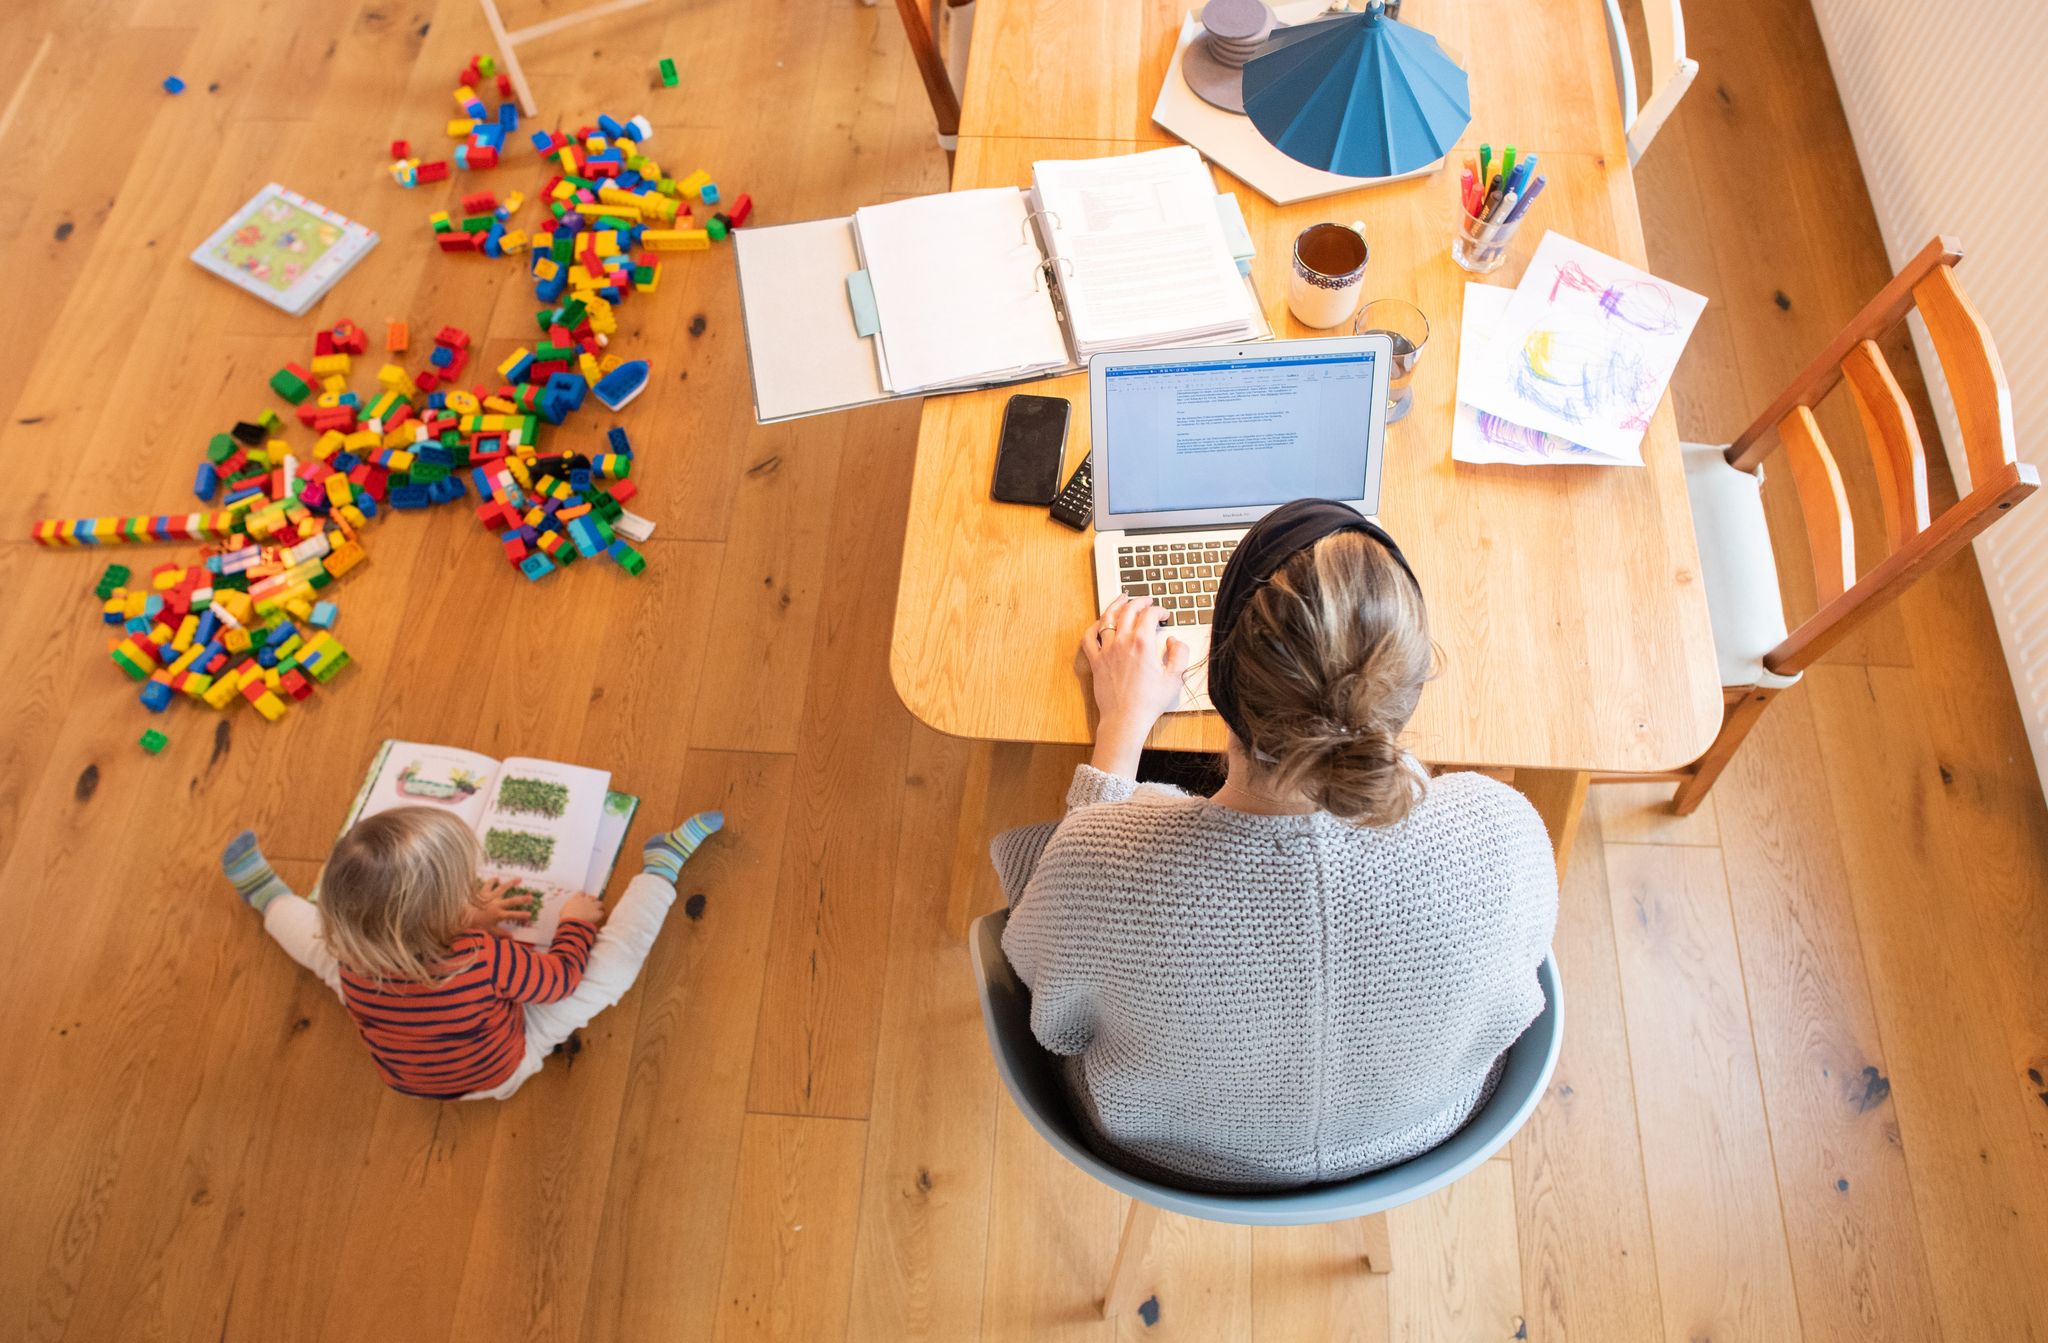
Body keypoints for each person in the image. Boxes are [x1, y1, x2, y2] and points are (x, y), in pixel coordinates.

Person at [993, 499, 1558, 1191]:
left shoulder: (1104, 865)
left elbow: (1049, 1003)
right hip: (1416, 1137)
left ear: (1221, 687)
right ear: (1406, 692)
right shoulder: (1501, 834)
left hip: (1167, 1153)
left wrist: (1120, 730)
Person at [221, 805, 723, 1101]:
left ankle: (266, 897)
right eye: (466, 891)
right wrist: (571, 925)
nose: (474, 892)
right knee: (608, 972)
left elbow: (409, 938)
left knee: (317, 948)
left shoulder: (353, 951)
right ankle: (662, 866)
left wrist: (464, 915)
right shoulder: (479, 957)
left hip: (404, 1074)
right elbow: (561, 979)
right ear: (443, 920)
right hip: (499, 1071)